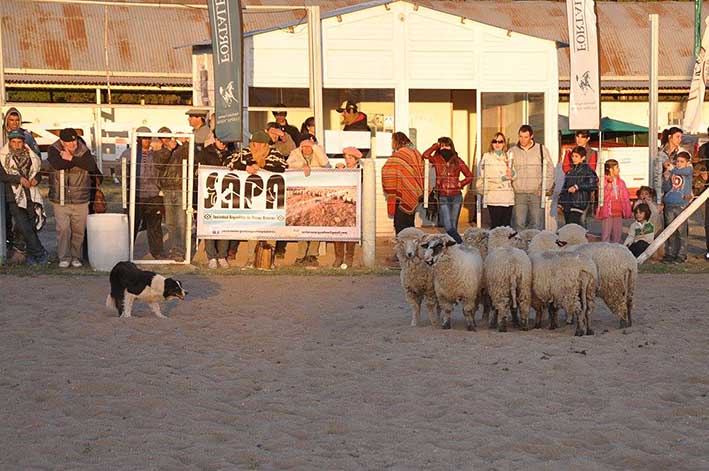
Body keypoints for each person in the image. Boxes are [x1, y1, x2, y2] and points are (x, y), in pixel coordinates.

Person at [226, 130, 287, 269]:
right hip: (252, 198)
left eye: (261, 144)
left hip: (271, 198)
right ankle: (250, 259)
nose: (258, 147)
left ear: (266, 144)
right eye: (256, 143)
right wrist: (246, 167)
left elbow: (282, 166)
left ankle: (268, 260)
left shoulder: (274, 154)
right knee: (253, 227)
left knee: (271, 228)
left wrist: (262, 166)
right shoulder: (245, 153)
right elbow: (229, 161)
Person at [47, 128, 101, 268]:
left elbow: (91, 166)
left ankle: (76, 256)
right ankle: (64, 257)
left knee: (79, 230)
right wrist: (78, 162)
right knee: (63, 229)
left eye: (74, 140)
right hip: (60, 197)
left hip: (81, 197)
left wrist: (71, 158)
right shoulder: (53, 149)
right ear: (61, 142)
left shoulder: (84, 150)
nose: (73, 144)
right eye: (69, 142)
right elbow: (57, 164)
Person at [0, 129, 48, 265]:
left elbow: (38, 172)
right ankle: (40, 253)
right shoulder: (3, 157)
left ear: (23, 142)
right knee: (23, 225)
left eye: (19, 142)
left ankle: (32, 256)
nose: (16, 145)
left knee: (31, 226)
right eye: (13, 142)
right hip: (14, 196)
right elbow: (2, 175)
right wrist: (18, 179)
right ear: (10, 143)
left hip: (31, 195)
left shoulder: (31, 156)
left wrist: (36, 180)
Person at [287, 134, 331, 267]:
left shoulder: (318, 152)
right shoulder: (295, 153)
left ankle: (312, 254)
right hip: (302, 194)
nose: (306, 149)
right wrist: (302, 165)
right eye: (304, 146)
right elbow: (289, 163)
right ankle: (301, 255)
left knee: (315, 222)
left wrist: (316, 148)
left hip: (317, 193)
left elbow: (325, 164)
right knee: (302, 223)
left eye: (309, 146)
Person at [422, 137, 473, 244]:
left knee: (453, 226)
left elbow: (469, 176)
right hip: (443, 195)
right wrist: (435, 146)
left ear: (451, 146)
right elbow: (425, 155)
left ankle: (454, 249)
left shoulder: (457, 160)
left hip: (456, 196)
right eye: (442, 145)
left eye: (447, 145)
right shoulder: (437, 159)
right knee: (448, 226)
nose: (445, 148)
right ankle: (461, 244)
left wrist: (460, 184)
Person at [508, 125, 554, 231]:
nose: (522, 140)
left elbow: (550, 171)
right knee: (519, 224)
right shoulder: (512, 151)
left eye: (525, 137)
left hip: (536, 193)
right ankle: (520, 247)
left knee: (537, 223)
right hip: (519, 193)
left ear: (531, 136)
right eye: (520, 136)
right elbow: (508, 171)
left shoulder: (541, 149)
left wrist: (544, 188)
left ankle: (535, 246)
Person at [197, 135, 233, 269]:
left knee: (225, 223)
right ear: (215, 140)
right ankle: (211, 256)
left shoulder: (230, 154)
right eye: (220, 141)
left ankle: (222, 256)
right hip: (209, 192)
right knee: (209, 224)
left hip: (226, 193)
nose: (223, 144)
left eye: (225, 141)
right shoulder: (205, 153)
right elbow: (198, 169)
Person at [382, 132, 425, 234]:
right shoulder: (415, 152)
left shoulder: (400, 154)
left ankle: (403, 246)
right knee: (410, 222)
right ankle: (412, 246)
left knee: (399, 223)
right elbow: (421, 171)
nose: (392, 143)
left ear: (397, 141)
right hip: (413, 191)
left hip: (402, 192)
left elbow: (387, 169)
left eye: (392, 141)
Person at [155, 127, 187, 262]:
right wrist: (169, 149)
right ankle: (174, 249)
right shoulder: (160, 152)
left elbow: (190, 156)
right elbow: (160, 164)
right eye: (163, 138)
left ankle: (180, 251)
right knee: (170, 223)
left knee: (181, 222)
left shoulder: (181, 150)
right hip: (167, 190)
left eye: (168, 137)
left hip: (181, 188)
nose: (166, 140)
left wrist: (185, 142)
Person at [134, 127, 164, 259]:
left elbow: (161, 172)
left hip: (153, 195)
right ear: (137, 139)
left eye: (148, 137)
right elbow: (120, 170)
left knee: (155, 225)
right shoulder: (129, 153)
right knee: (132, 225)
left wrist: (158, 186)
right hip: (135, 195)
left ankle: (157, 252)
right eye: (142, 137)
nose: (145, 140)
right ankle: (126, 250)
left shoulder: (156, 155)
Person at [477, 132, 516, 228]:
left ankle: (506, 243)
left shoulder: (508, 156)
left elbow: (514, 173)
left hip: (507, 196)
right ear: (492, 143)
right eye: (495, 141)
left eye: (500, 141)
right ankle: (494, 243)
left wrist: (512, 174)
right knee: (496, 225)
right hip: (494, 195)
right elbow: (485, 174)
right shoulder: (487, 156)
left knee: (507, 226)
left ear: (504, 144)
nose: (497, 144)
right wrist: (503, 178)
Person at [661, 151, 693, 263]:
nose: (679, 163)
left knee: (681, 231)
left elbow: (685, 171)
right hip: (670, 204)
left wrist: (671, 168)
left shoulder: (688, 170)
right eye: (677, 161)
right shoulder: (673, 172)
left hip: (681, 205)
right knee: (670, 231)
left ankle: (681, 254)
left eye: (681, 161)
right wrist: (666, 178)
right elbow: (666, 188)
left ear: (687, 162)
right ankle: (670, 253)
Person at [333, 147, 362, 269]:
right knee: (338, 230)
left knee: (351, 231)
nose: (347, 160)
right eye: (346, 158)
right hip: (342, 204)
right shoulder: (342, 170)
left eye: (350, 158)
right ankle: (339, 257)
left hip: (354, 205)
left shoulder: (361, 172)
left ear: (356, 160)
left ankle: (349, 257)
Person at [558, 146, 598, 226]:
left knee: (573, 226)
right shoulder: (571, 171)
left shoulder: (587, 170)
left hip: (578, 203)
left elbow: (592, 184)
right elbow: (565, 187)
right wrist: (561, 202)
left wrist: (577, 187)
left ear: (583, 158)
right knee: (568, 226)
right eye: (572, 156)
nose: (574, 159)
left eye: (576, 156)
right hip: (568, 204)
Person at [595, 159, 632, 243]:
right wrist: (609, 185)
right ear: (611, 169)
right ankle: (605, 251)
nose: (619, 169)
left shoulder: (621, 182)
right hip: (607, 212)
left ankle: (617, 251)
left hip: (618, 212)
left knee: (618, 234)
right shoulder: (603, 181)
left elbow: (626, 198)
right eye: (617, 167)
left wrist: (627, 211)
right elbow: (601, 195)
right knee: (606, 234)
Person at [655, 126, 683, 191]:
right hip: (661, 186)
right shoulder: (660, 152)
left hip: (676, 187)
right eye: (677, 137)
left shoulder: (681, 152)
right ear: (670, 137)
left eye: (681, 137)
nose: (680, 140)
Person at [697, 129, 709, 261]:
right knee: (708, 222)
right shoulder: (704, 149)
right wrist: (702, 173)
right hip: (705, 190)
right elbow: (698, 165)